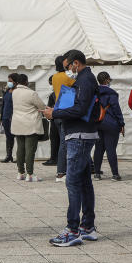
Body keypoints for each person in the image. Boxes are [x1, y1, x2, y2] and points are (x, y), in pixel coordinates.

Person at [43, 50, 99, 247]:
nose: (68, 71)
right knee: (84, 181)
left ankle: (72, 230)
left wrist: (55, 112)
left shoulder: (85, 80)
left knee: (73, 182)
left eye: (68, 67)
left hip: (79, 135)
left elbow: (80, 109)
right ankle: (87, 227)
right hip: (83, 133)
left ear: (76, 63)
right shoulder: (85, 79)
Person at [10, 74, 47, 182]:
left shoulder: (14, 92)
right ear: (26, 82)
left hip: (17, 123)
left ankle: (20, 172)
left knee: (20, 149)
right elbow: (42, 107)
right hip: (30, 124)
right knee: (30, 150)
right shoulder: (31, 93)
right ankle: (30, 174)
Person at [92, 72, 124, 181]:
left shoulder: (94, 92)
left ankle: (96, 173)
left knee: (98, 149)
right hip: (111, 123)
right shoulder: (112, 93)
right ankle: (115, 174)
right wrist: (121, 123)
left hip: (97, 123)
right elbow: (116, 109)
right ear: (107, 80)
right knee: (111, 149)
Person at [51, 57, 75, 181]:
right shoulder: (68, 77)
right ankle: (61, 172)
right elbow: (76, 87)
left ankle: (62, 171)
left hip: (57, 110)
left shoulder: (55, 77)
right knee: (65, 143)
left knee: (62, 141)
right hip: (67, 111)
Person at [0, 73, 17, 163]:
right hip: (5, 117)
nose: (9, 83)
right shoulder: (7, 91)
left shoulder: (17, 91)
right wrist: (1, 117)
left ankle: (20, 156)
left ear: (15, 82)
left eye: (11, 81)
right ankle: (9, 155)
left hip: (14, 117)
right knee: (8, 137)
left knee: (18, 137)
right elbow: (3, 104)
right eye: (8, 81)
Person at [42, 77, 58, 166]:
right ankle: (55, 158)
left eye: (51, 83)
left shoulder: (54, 94)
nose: (51, 85)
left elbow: (48, 107)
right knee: (56, 140)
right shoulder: (54, 94)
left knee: (55, 140)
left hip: (55, 119)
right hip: (55, 119)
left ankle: (54, 158)